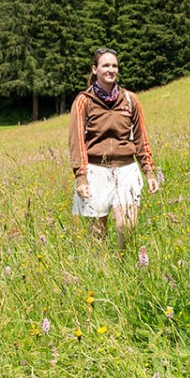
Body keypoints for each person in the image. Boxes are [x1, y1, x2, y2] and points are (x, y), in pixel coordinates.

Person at [68, 48, 160, 248]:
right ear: (95, 69)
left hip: (126, 169)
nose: (111, 70)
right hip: (95, 170)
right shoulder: (83, 101)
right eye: (105, 65)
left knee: (127, 226)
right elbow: (76, 142)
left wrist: (149, 171)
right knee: (97, 233)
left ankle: (122, 262)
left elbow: (141, 138)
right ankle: (103, 273)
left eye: (114, 66)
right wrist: (81, 177)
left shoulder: (130, 99)